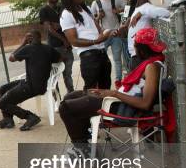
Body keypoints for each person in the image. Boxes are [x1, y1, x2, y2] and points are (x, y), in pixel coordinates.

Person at [58, 27, 167, 156]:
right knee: (70, 96)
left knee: (65, 108)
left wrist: (114, 94)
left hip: (119, 106)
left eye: (136, 45)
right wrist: (110, 93)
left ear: (143, 49)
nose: (134, 47)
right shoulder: (152, 63)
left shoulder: (152, 67)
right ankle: (85, 139)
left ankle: (82, 148)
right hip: (117, 100)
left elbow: (145, 103)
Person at [0, 29, 62, 131]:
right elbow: (60, 58)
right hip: (36, 83)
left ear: (30, 38)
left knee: (2, 103)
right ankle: (8, 119)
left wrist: (23, 43)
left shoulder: (28, 48)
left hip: (31, 87)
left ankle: (30, 117)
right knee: (2, 89)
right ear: (39, 37)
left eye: (27, 37)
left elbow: (11, 58)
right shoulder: (48, 49)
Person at [60, 0, 113, 90]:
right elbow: (73, 41)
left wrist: (110, 32)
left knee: (106, 89)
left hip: (102, 53)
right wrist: (95, 42)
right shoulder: (66, 14)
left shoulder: (86, 9)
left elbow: (99, 29)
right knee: (92, 92)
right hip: (89, 58)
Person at [127, 0, 170, 69]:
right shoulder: (137, 9)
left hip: (141, 56)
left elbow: (167, 13)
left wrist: (142, 12)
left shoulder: (146, 7)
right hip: (134, 55)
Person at [39, 0, 74, 93]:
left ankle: (71, 96)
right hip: (54, 48)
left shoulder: (63, 8)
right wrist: (64, 39)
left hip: (67, 47)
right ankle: (56, 100)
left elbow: (69, 23)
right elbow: (49, 29)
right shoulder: (44, 10)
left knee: (68, 74)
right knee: (54, 76)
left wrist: (59, 25)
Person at [90, 0, 126, 85]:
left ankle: (118, 81)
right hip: (103, 35)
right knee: (101, 59)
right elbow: (92, 21)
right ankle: (102, 79)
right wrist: (98, 17)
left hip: (116, 34)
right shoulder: (95, 3)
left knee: (117, 59)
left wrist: (119, 11)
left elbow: (127, 9)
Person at [113, 0, 140, 69]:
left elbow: (131, 11)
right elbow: (127, 11)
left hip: (133, 31)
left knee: (131, 59)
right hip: (128, 30)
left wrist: (122, 25)